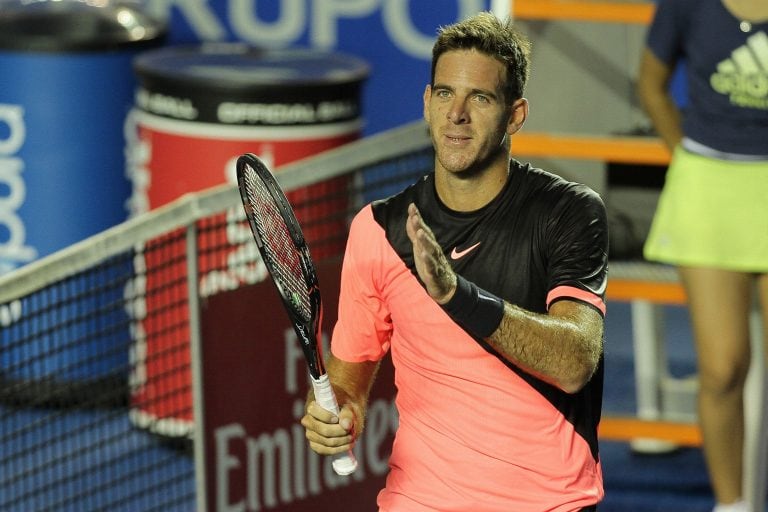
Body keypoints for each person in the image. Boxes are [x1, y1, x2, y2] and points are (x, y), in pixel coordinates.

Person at [302, 12, 609, 512]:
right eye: (445, 93)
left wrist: (455, 295)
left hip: (547, 503)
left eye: (481, 98)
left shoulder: (568, 212)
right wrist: (337, 415)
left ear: (515, 115)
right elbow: (347, 380)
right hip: (419, 500)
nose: (457, 114)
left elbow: (575, 364)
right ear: (427, 103)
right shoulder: (379, 229)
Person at [637, 1, 768, 511]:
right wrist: (688, 158)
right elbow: (651, 83)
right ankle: (732, 504)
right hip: (708, 192)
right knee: (722, 368)